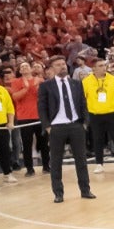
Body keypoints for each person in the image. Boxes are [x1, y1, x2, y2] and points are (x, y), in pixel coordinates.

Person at [38, 56, 94, 202]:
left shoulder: (77, 84)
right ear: (52, 68)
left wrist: (85, 123)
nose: (62, 66)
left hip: (76, 125)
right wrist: (47, 126)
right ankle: (58, 193)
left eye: (63, 64)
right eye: (58, 64)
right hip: (56, 127)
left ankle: (85, 190)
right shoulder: (46, 86)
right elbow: (42, 108)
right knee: (56, 162)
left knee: (81, 160)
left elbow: (83, 103)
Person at [82, 60, 114, 170]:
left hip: (112, 113)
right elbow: (82, 98)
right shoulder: (86, 82)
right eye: (100, 65)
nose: (103, 67)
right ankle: (99, 164)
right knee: (97, 139)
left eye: (104, 65)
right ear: (94, 69)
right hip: (95, 114)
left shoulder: (113, 80)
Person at [8, 59, 45, 177]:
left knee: (44, 142)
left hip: (39, 115)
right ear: (19, 71)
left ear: (31, 68)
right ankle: (29, 168)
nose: (24, 68)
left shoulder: (40, 80)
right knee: (27, 144)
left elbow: (43, 96)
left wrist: (36, 88)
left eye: (26, 66)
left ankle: (46, 166)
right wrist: (26, 88)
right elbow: (15, 97)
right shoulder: (16, 81)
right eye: (22, 67)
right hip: (24, 117)